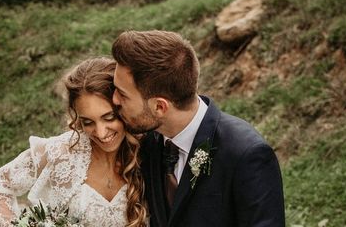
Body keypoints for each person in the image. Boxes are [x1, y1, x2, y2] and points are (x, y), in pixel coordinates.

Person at [111, 30, 285, 227]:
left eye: (123, 94)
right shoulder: (147, 141)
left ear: (160, 107)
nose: (114, 99)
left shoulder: (246, 154)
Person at [0, 57, 148, 227]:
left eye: (109, 117)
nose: (100, 132)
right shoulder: (60, 152)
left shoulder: (150, 152)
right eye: (88, 122)